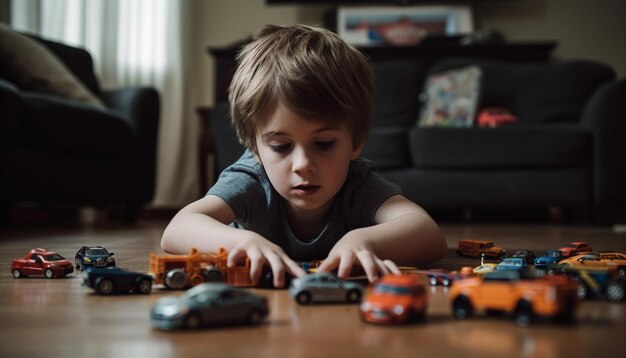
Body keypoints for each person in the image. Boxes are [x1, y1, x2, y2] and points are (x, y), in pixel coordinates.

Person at [161, 24, 447, 288]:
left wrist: (364, 241)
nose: (303, 165)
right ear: (255, 147)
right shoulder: (250, 179)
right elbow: (177, 230)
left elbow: (428, 234)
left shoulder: (357, 183)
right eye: (281, 147)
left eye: (323, 143)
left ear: (356, 141)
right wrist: (242, 242)